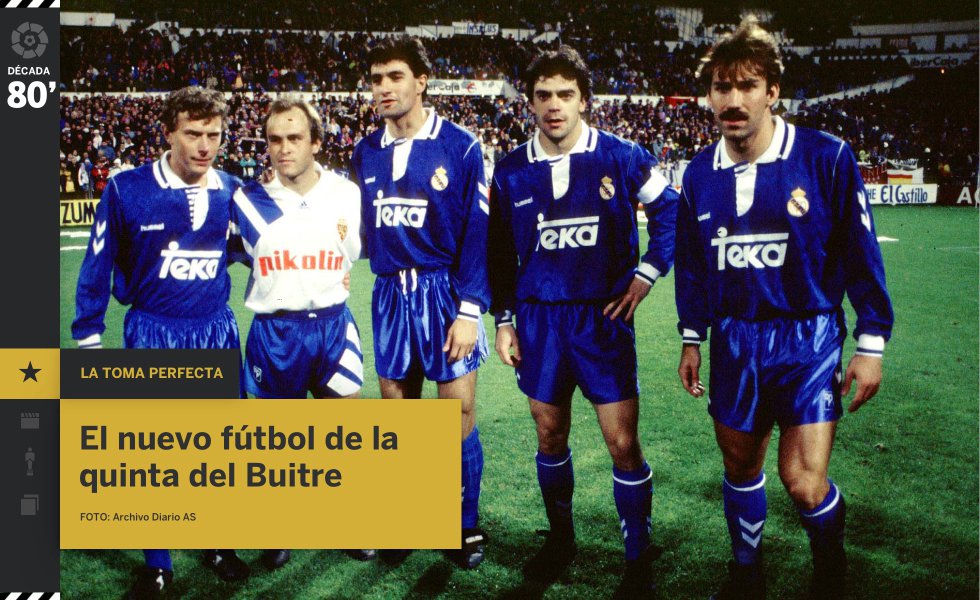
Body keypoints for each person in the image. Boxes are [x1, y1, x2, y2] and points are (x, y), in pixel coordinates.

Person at [674, 19, 894, 600]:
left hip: (808, 339)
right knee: (742, 469)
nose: (733, 99)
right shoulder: (698, 174)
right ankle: (746, 570)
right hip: (735, 341)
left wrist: (870, 344)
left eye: (747, 85)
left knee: (801, 482)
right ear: (709, 96)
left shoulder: (825, 158)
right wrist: (692, 338)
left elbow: (860, 256)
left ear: (773, 91)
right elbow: (693, 268)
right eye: (722, 87)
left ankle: (830, 569)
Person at [487, 46, 677, 597]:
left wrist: (645, 273)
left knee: (622, 443)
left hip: (603, 320)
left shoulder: (622, 155)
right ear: (528, 102)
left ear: (584, 100)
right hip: (540, 321)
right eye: (543, 95)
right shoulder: (511, 169)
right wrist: (504, 320)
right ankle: (561, 538)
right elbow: (498, 253)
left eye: (565, 94)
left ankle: (638, 553)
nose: (554, 105)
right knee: (550, 433)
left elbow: (672, 212)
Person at [71, 86, 251, 598]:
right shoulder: (127, 189)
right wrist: (88, 338)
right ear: (169, 132)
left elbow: (264, 246)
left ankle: (217, 543)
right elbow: (98, 262)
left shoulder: (232, 189)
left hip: (216, 329)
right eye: (192, 133)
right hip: (153, 330)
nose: (203, 145)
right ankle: (158, 563)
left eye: (213, 135)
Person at [350, 35, 489, 569]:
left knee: (456, 415)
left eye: (395, 77)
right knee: (400, 419)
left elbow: (478, 232)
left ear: (421, 81)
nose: (384, 89)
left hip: (443, 291)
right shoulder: (365, 152)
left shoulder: (460, 145)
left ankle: (462, 526)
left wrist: (471, 308)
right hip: (389, 294)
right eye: (376, 79)